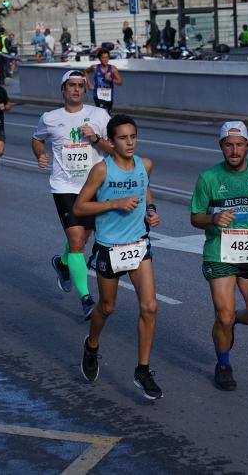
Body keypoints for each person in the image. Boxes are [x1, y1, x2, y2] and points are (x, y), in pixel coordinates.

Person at [190, 121, 248, 391]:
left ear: (247, 146)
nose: (234, 150)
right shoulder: (208, 178)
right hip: (219, 253)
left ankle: (230, 322)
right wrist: (213, 218)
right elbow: (194, 217)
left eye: (239, 144)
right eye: (228, 145)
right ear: (221, 146)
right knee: (223, 314)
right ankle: (223, 364)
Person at [73, 114, 163, 399]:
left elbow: (145, 188)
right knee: (107, 308)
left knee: (149, 307)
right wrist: (115, 203)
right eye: (123, 138)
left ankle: (143, 369)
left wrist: (150, 211)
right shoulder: (102, 170)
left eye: (133, 137)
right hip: (109, 248)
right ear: (111, 141)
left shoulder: (145, 165)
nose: (130, 143)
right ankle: (92, 345)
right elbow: (79, 208)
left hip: (138, 245)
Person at [31, 70, 113, 320]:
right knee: (77, 239)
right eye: (71, 85)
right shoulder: (50, 118)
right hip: (64, 187)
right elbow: (36, 139)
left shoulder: (99, 115)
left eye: (80, 85)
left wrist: (96, 138)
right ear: (63, 90)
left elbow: (113, 147)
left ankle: (63, 264)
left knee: (84, 237)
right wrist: (40, 154)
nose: (76, 89)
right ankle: (87, 300)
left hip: (95, 185)